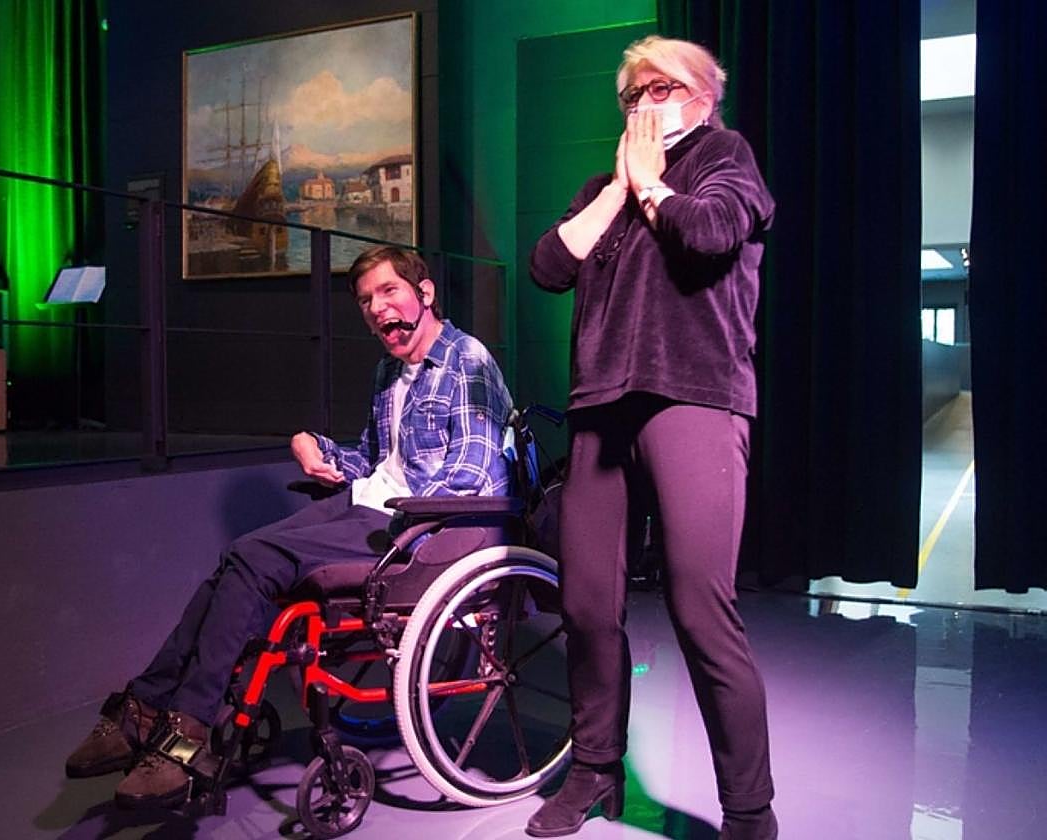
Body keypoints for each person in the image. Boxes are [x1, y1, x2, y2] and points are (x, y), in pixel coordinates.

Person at [64, 245, 513, 810]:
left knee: (256, 557)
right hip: (375, 504)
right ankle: (149, 707)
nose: (377, 309)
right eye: (366, 301)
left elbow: (467, 477)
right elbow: (375, 461)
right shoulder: (389, 372)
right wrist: (314, 447)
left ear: (424, 294)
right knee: (241, 555)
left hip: (426, 527)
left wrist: (389, 514)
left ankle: (184, 727)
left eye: (389, 292)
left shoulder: (466, 360)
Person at [525, 35, 778, 840]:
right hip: (600, 406)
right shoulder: (604, 185)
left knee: (700, 607)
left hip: (694, 397)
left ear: (704, 95)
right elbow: (547, 267)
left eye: (661, 88)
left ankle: (749, 811)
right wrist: (620, 188)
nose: (644, 103)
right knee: (586, 603)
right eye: (633, 93)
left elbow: (709, 233)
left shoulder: (725, 157)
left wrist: (654, 186)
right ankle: (595, 769)